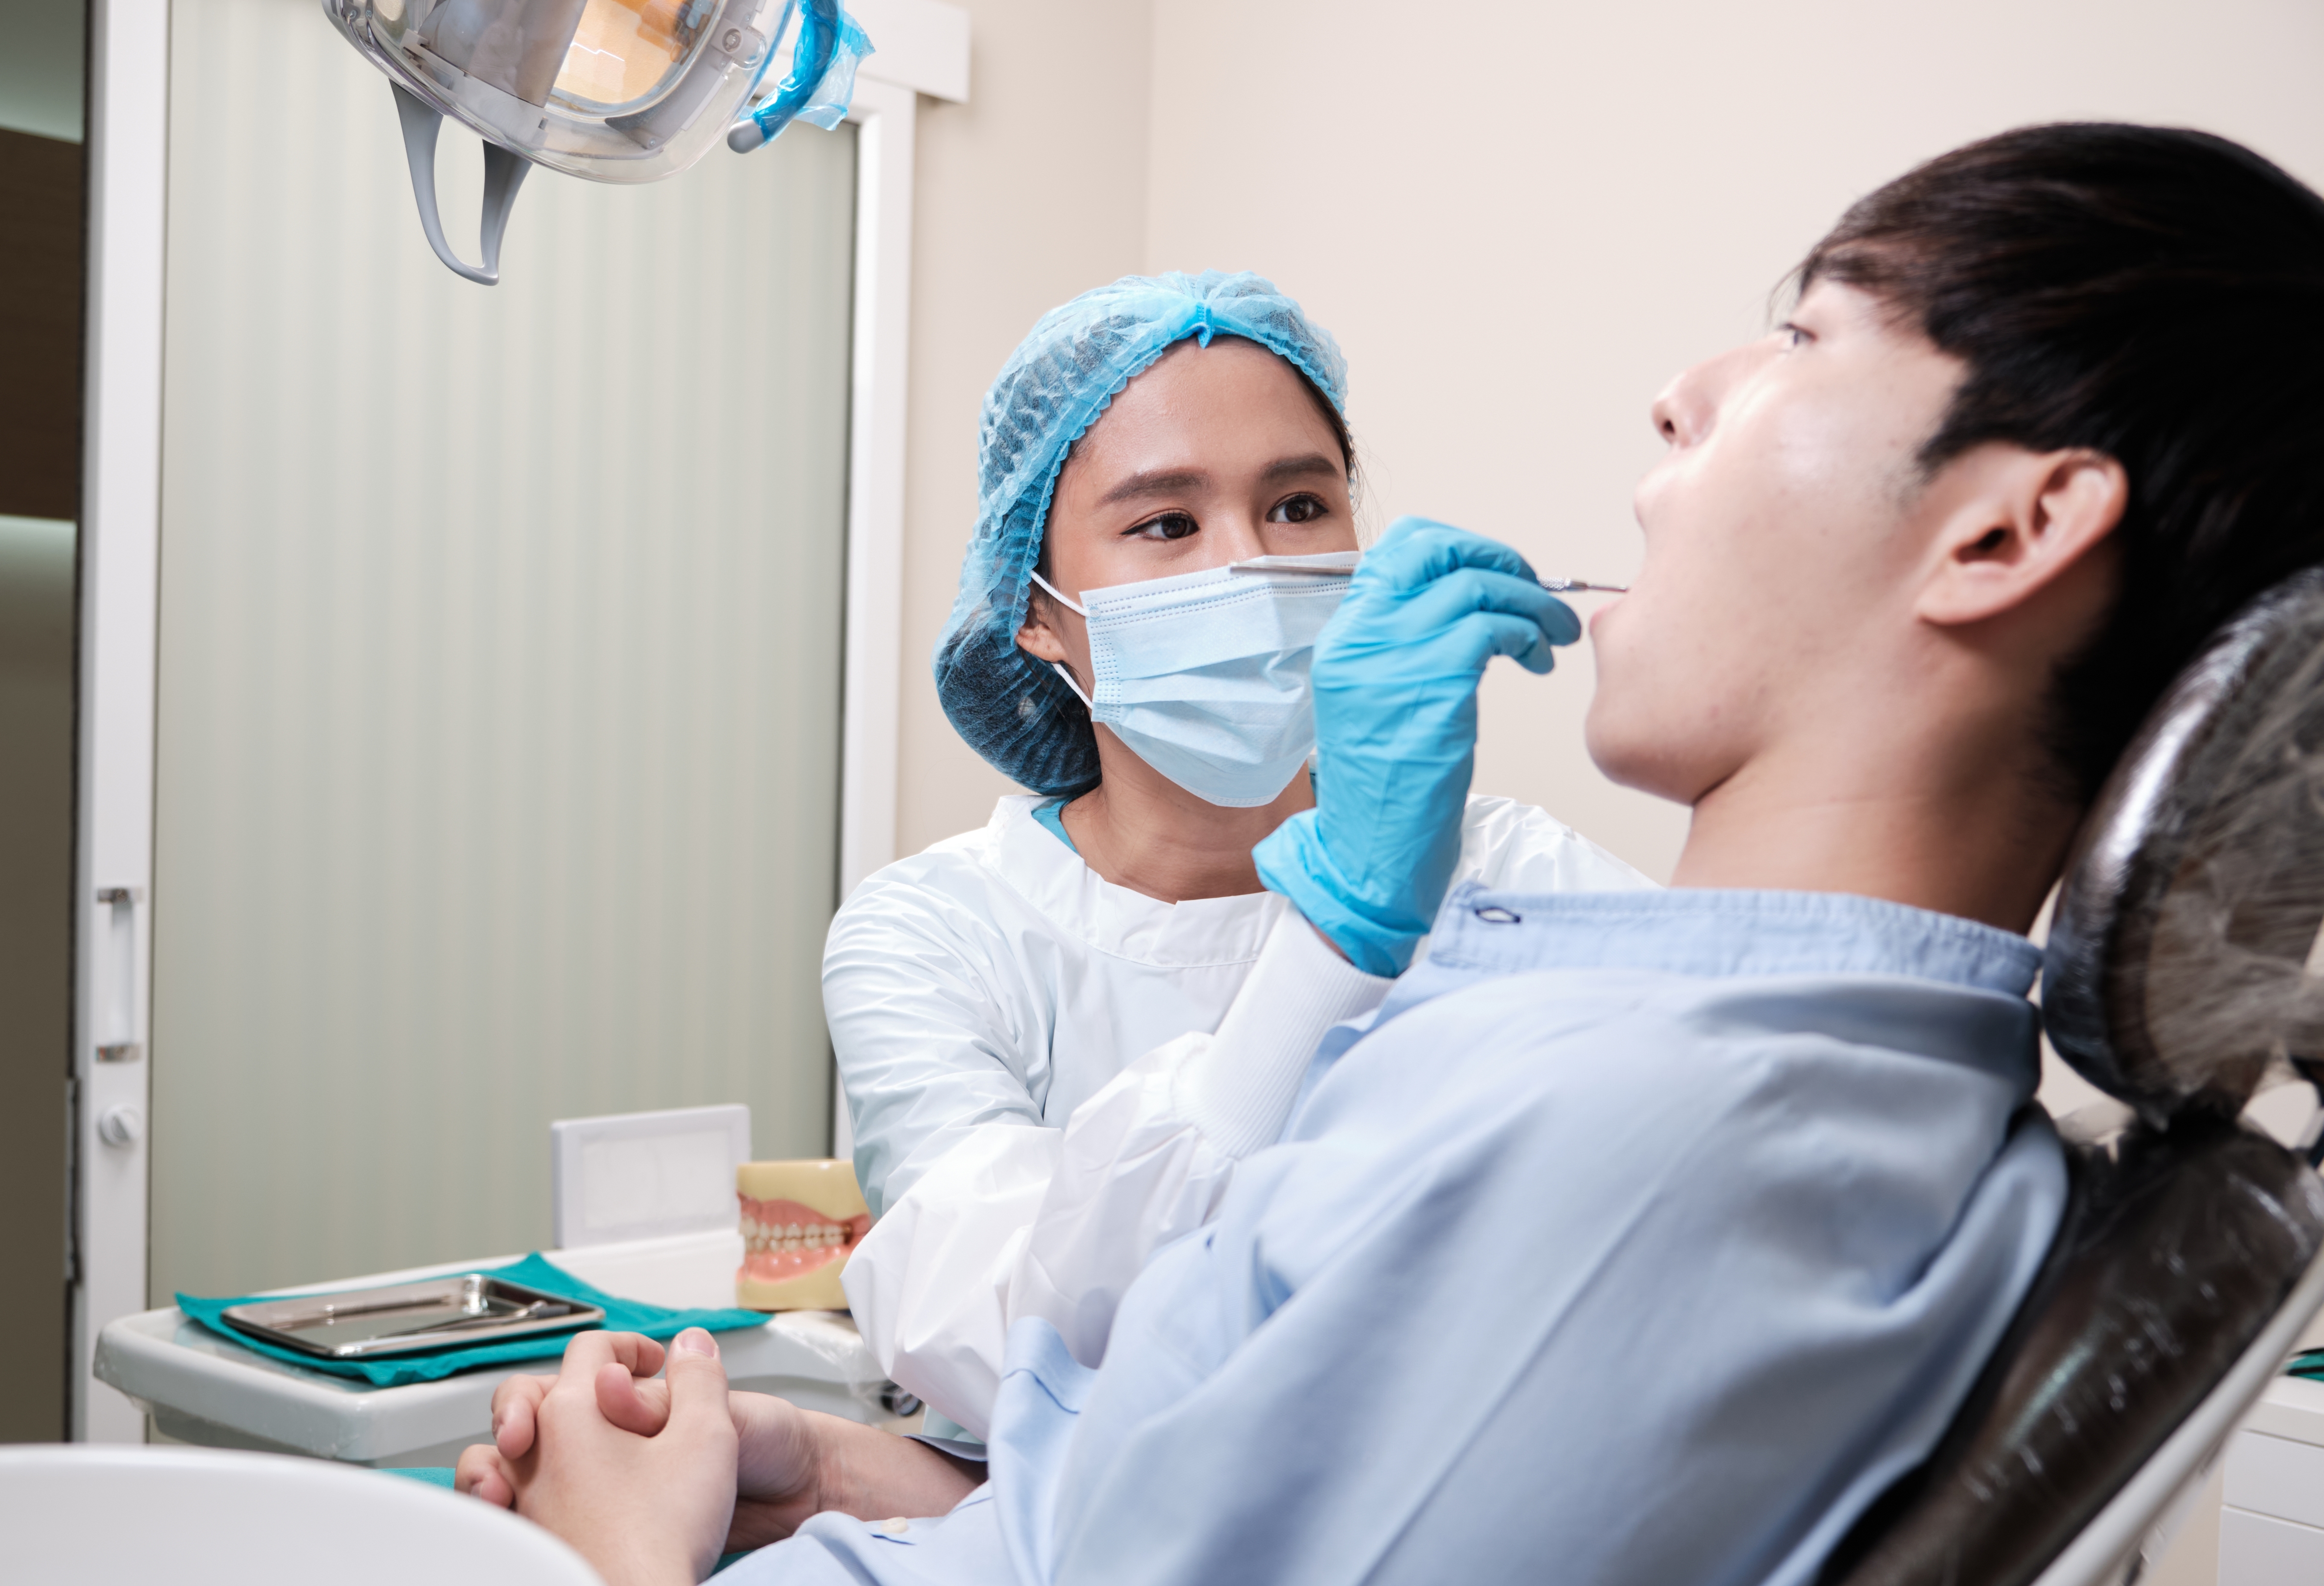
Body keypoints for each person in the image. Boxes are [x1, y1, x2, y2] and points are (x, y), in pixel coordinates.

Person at [463, 122, 2324, 1586]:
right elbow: (1212, 1488)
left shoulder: (1647, 1128)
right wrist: (874, 1475)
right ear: (1037, 614)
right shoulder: (1730, 1061)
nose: (1681, 391)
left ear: (2005, 533)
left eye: (1803, 339)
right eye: (1162, 524)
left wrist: (605, 1559)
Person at [825, 271, 1645, 1439]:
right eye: (1166, 523)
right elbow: (1004, 1344)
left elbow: (1793, 1105)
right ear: (1039, 611)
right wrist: (1341, 930)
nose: (1249, 569)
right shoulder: (941, 929)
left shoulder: (1505, 871)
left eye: (1300, 506)